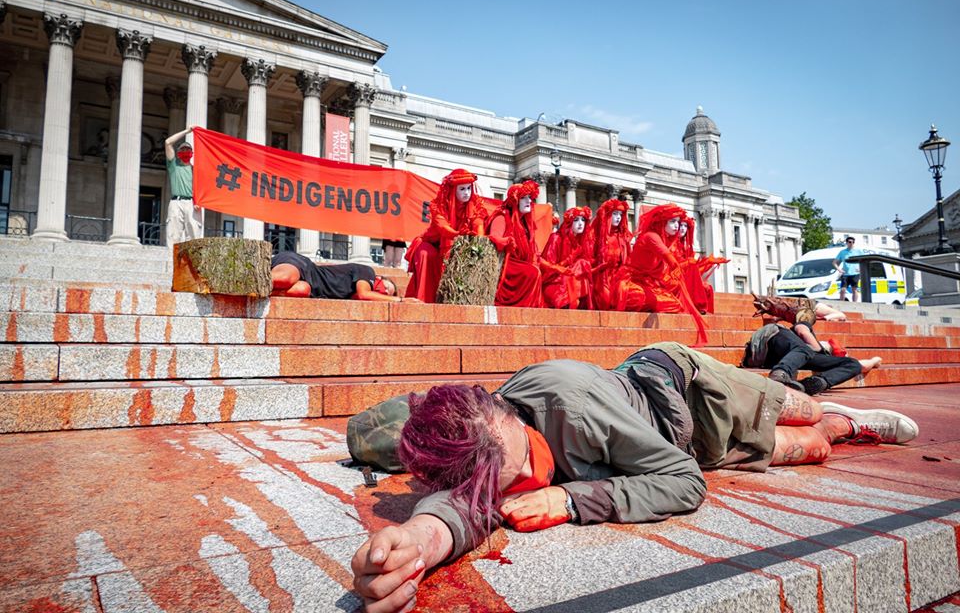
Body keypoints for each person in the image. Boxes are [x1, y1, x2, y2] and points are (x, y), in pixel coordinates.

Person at [349, 342, 919, 612]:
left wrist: (571, 501)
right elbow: (461, 507)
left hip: (691, 389)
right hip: (678, 447)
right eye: (502, 483)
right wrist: (417, 544)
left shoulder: (569, 402)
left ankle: (848, 413)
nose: (523, 482)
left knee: (808, 416)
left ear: (504, 416)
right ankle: (849, 428)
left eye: (519, 463)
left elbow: (685, 483)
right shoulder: (485, 451)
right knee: (816, 449)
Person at [613, 204, 708, 346]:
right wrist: (676, 266)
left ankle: (651, 303)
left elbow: (669, 266)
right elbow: (667, 256)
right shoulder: (651, 236)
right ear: (662, 222)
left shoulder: (665, 240)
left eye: (678, 222)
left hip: (650, 284)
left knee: (674, 305)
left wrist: (693, 263)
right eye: (672, 221)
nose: (677, 226)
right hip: (632, 282)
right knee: (638, 297)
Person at [404, 169, 488, 303]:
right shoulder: (440, 204)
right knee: (426, 254)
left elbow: (478, 223)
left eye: (468, 188)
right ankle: (423, 300)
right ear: (454, 189)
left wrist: (480, 242)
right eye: (462, 189)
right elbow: (443, 227)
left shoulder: (475, 203)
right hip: (433, 244)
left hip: (456, 245)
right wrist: (459, 234)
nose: (466, 193)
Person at [743, 320, 881, 395]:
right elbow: (803, 332)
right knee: (805, 349)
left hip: (784, 357)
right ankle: (780, 374)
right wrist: (820, 350)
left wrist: (875, 360)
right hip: (771, 338)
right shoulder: (800, 328)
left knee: (853, 364)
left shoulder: (804, 352)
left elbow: (861, 366)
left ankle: (813, 384)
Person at [270, 251, 419, 302]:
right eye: (387, 287)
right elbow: (364, 294)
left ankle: (254, 290)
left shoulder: (349, 294)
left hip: (309, 287)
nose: (385, 292)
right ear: (378, 279)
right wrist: (400, 300)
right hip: (302, 265)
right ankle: (249, 279)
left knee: (302, 290)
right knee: (285, 279)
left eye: (388, 294)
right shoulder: (367, 272)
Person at [486, 181, 543, 308]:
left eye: (530, 197)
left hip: (520, 265)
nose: (529, 201)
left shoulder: (526, 224)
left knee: (535, 271)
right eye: (524, 198)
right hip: (506, 264)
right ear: (515, 200)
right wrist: (507, 241)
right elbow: (494, 237)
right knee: (533, 272)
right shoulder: (502, 216)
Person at [540, 206, 594, 310]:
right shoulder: (556, 238)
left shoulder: (580, 243)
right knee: (571, 302)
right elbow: (548, 271)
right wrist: (570, 258)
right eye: (576, 220)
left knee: (583, 264)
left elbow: (585, 272)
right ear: (569, 222)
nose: (580, 223)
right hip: (553, 283)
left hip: (570, 284)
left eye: (583, 220)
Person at [673, 214, 728, 315]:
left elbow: (694, 268)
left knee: (707, 288)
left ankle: (701, 309)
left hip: (684, 274)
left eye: (686, 226)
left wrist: (709, 262)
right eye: (681, 225)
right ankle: (698, 305)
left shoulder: (685, 246)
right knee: (692, 267)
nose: (683, 229)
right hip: (672, 275)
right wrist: (689, 263)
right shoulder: (671, 243)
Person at [590, 198, 631, 310]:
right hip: (601, 277)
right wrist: (601, 266)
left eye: (621, 214)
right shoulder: (595, 236)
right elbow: (589, 259)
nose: (618, 217)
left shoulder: (622, 237)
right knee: (605, 301)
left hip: (619, 277)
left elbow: (628, 260)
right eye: (615, 213)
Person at [164, 126, 202, 246]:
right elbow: (168, 142)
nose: (185, 151)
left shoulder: (195, 170)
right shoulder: (173, 166)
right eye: (183, 149)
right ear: (179, 153)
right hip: (176, 202)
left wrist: (199, 201)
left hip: (192, 203)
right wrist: (187, 131)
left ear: (191, 153)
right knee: (173, 235)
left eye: (188, 149)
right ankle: (172, 262)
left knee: (194, 236)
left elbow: (202, 188)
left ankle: (191, 264)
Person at [833, 236, 865, 302]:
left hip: (855, 274)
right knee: (843, 290)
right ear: (847, 243)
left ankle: (854, 304)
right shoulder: (842, 252)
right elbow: (834, 262)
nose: (851, 243)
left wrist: (860, 268)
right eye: (850, 242)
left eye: (853, 242)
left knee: (854, 289)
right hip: (845, 274)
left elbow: (864, 261)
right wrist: (839, 270)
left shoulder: (858, 251)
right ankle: (841, 303)